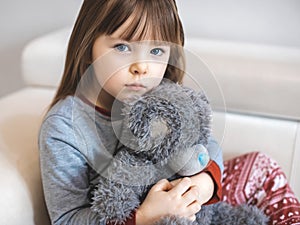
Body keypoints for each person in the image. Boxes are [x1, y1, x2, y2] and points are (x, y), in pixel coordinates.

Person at [39, 1, 300, 225]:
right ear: (88, 49)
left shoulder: (164, 96)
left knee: (260, 165)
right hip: (135, 216)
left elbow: (205, 145)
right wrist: (144, 216)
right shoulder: (65, 126)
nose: (141, 67)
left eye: (156, 51)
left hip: (190, 203)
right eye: (122, 47)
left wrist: (204, 184)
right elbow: (67, 218)